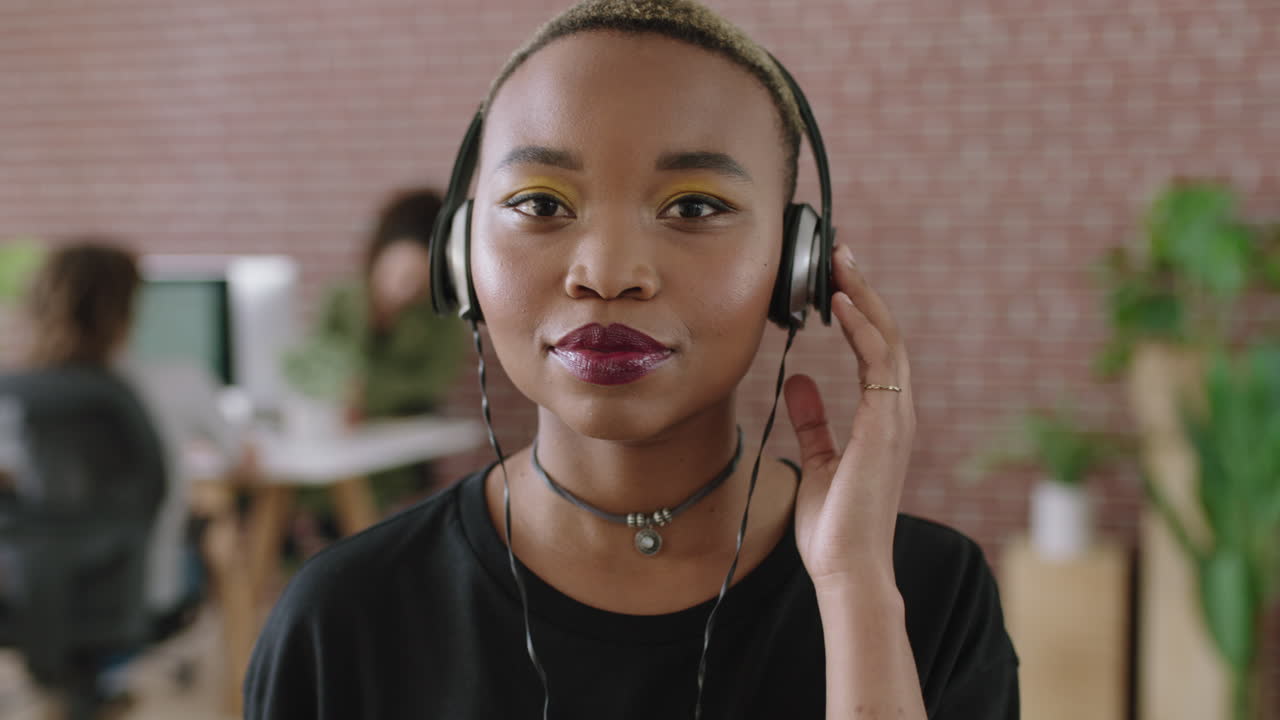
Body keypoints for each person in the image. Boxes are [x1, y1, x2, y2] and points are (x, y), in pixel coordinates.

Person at [245, 2, 1019, 718]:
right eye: (541, 204)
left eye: (694, 207)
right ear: (461, 252)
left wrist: (855, 596)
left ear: (798, 267)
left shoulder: (928, 592)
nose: (609, 272)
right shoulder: (342, 616)